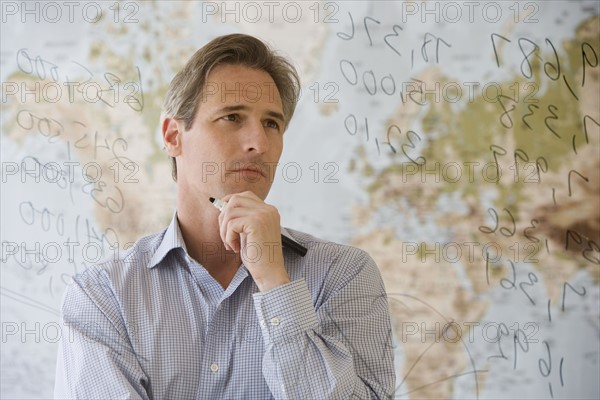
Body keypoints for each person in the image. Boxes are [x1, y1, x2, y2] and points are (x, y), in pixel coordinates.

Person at [54, 33, 396, 399]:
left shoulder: (344, 275)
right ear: (173, 135)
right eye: (232, 117)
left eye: (271, 124)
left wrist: (276, 285)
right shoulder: (104, 295)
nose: (259, 144)